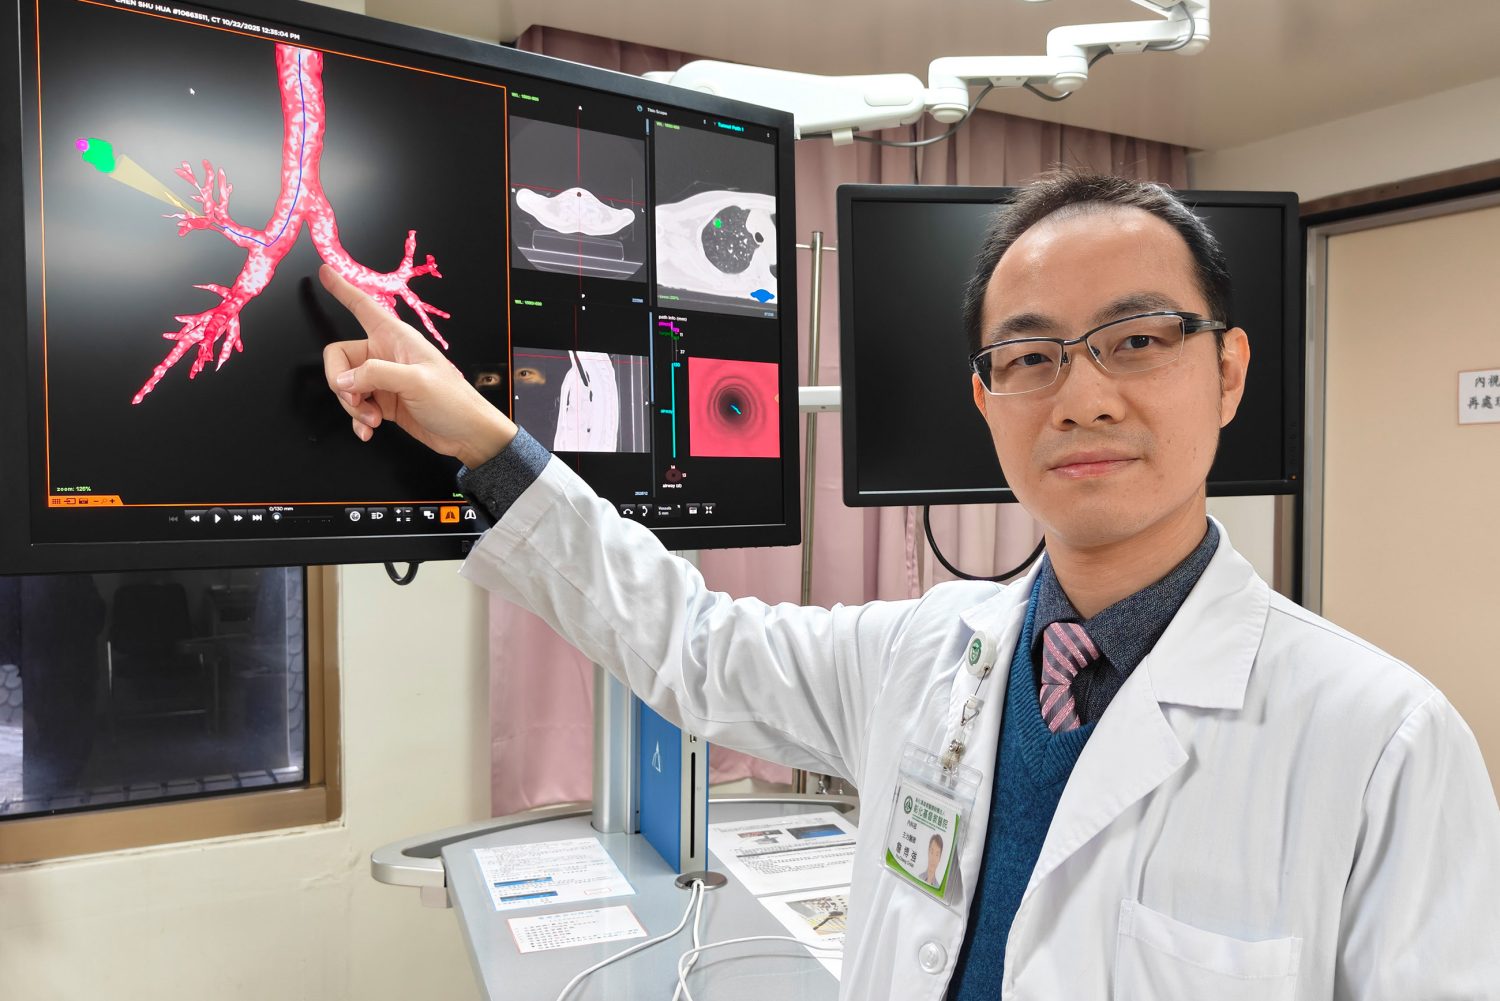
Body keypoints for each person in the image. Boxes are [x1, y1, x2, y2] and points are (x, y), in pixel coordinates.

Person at [320, 169, 1500, 1000]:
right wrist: (485, 438)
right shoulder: (924, 652)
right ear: (987, 400)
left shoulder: (1381, 740)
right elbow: (693, 641)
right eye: (1031, 356)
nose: (1084, 397)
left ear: (1229, 370)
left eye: (1137, 339)